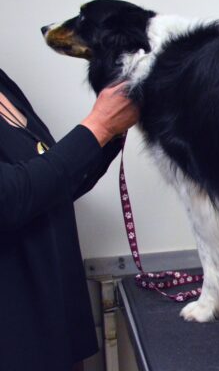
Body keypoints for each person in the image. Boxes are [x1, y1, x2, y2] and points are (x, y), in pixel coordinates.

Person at [0, 67, 139, 371]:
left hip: (56, 330)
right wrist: (98, 126)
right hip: (16, 344)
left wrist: (111, 131)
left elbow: (50, 186)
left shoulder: (3, 82)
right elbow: (9, 199)